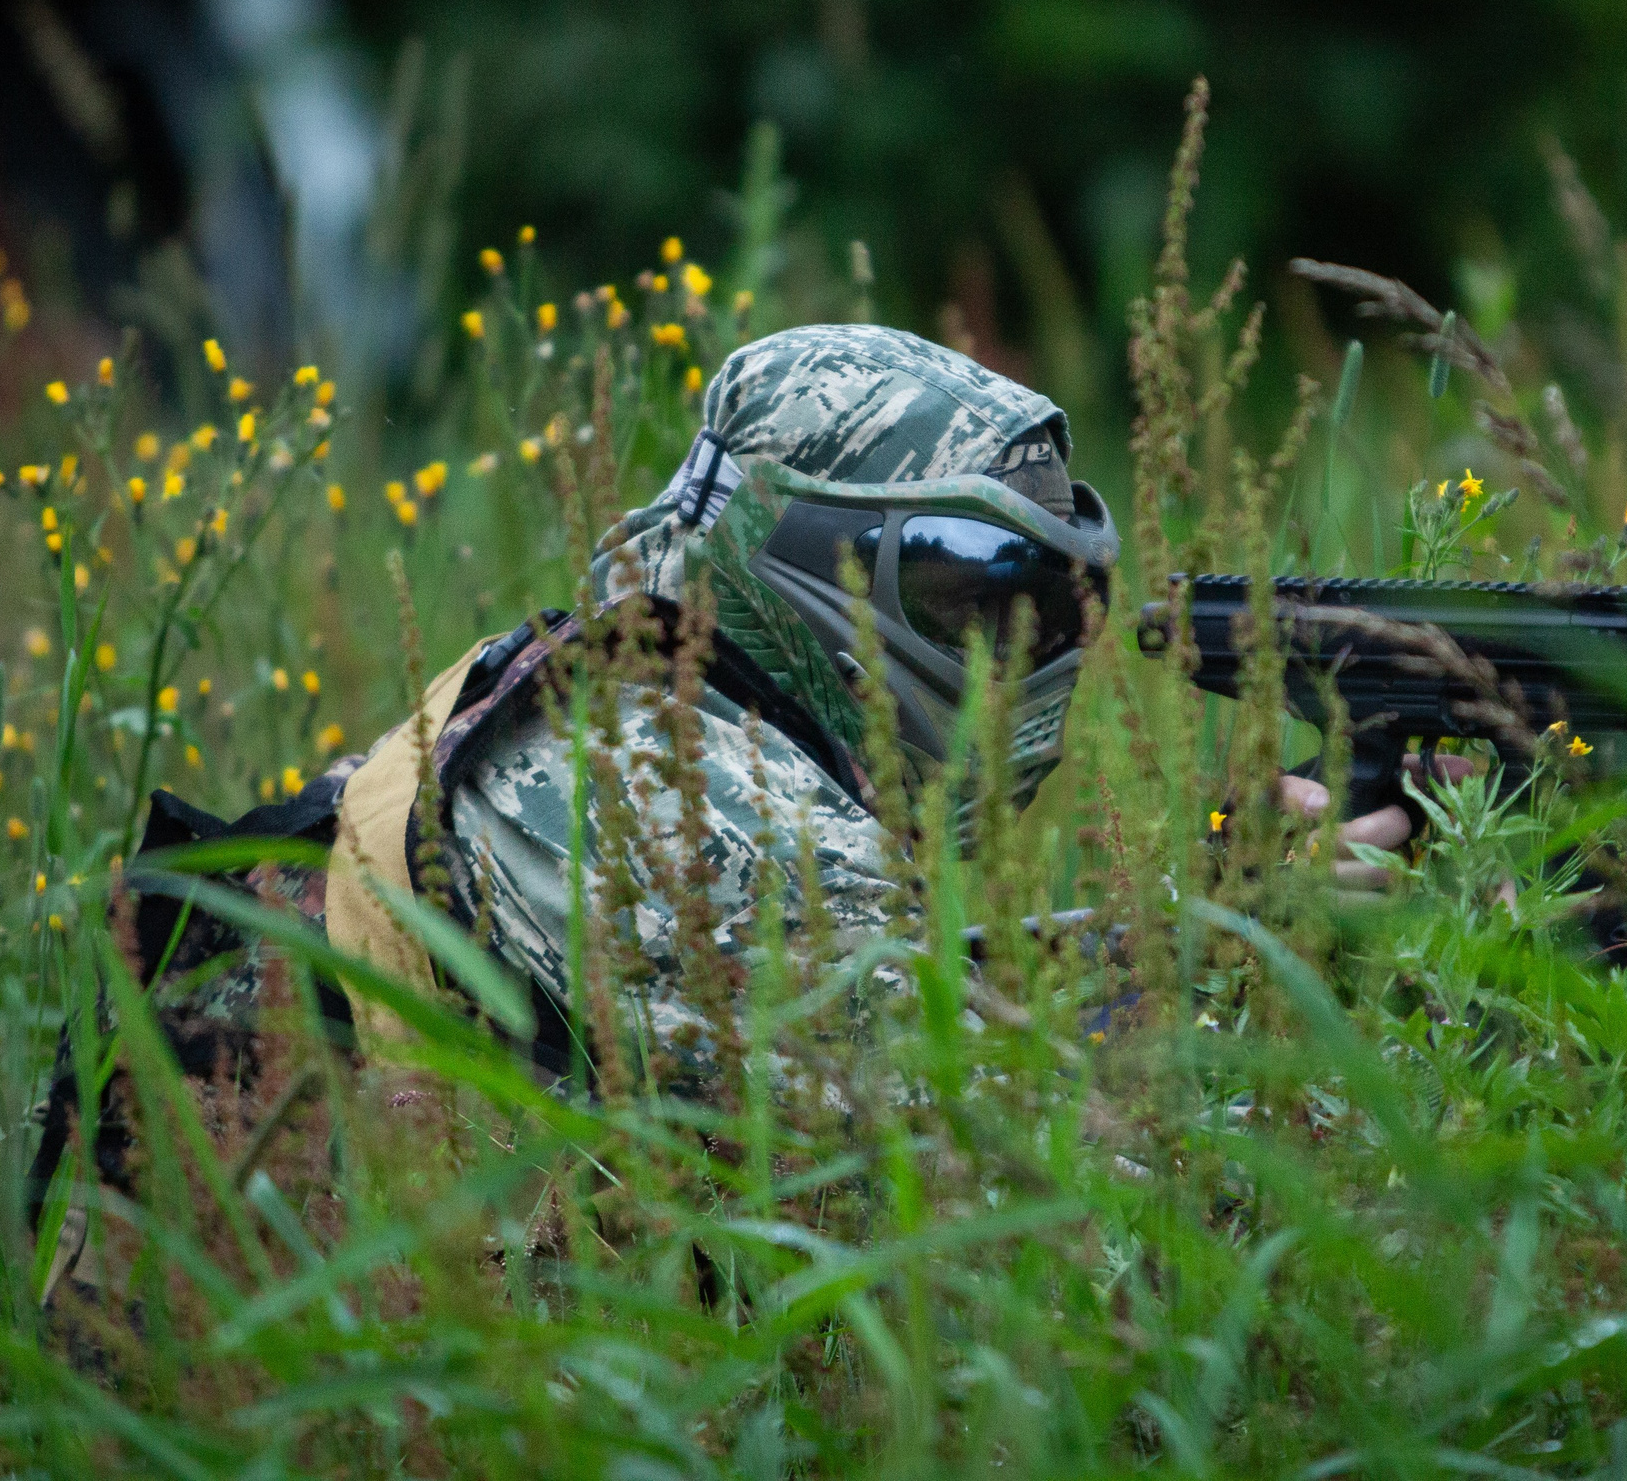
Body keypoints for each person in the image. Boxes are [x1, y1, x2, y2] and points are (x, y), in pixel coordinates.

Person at [315, 322, 1419, 1077]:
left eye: (1052, 606)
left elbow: (929, 995)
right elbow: (1014, 1171)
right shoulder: (678, 800)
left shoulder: (632, 705)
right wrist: (1270, 983)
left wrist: (1214, 919)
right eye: (972, 594)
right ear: (799, 557)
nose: (1016, 656)